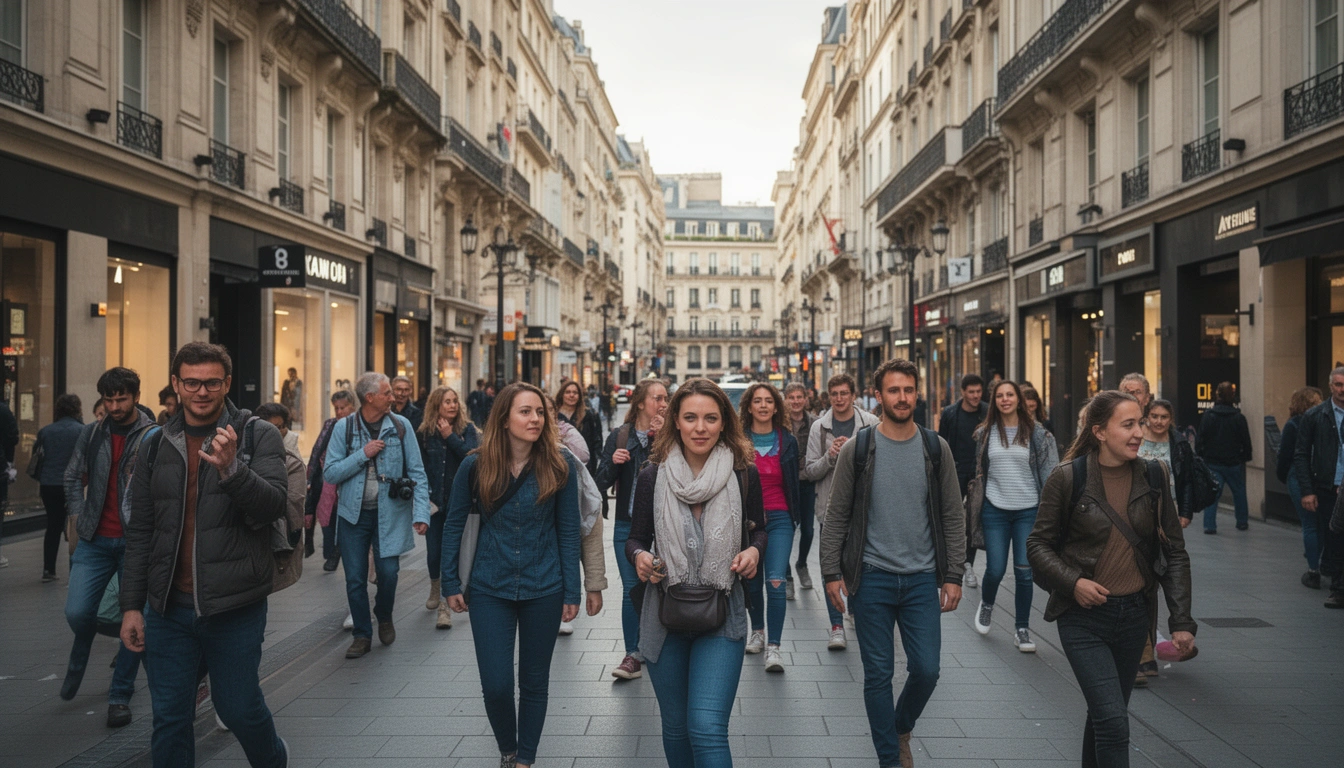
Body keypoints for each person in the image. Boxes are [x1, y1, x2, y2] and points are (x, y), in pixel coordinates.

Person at [120, 342, 291, 767]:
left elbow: (273, 507)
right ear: (176, 384)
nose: (201, 392)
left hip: (234, 605)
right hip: (168, 608)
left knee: (238, 709)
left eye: (212, 383)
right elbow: (141, 531)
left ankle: (273, 760)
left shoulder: (257, 435)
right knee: (170, 718)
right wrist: (132, 607)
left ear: (227, 383)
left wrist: (232, 469)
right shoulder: (155, 443)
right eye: (192, 382)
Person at [1027, 390, 1196, 768]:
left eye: (1140, 422)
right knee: (1114, 722)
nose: (1139, 432)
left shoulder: (1155, 475)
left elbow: (1174, 552)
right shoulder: (1067, 477)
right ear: (1100, 431)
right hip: (1082, 619)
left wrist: (1182, 621)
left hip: (1135, 616)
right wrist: (1074, 582)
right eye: (1128, 425)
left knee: (1105, 714)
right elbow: (1037, 545)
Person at [821, 359, 966, 768]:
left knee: (927, 670)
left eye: (908, 390)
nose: (902, 398)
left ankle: (900, 725)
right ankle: (890, 758)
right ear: (878, 396)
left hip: (921, 579)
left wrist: (954, 574)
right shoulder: (859, 448)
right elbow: (837, 514)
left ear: (917, 394)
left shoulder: (935, 448)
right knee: (878, 675)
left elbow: (953, 514)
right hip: (871, 579)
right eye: (893, 390)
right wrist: (831, 572)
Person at [442, 382, 582, 768]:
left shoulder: (560, 464)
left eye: (539, 412)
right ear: (504, 419)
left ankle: (524, 760)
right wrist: (450, 582)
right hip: (490, 586)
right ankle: (508, 748)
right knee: (496, 685)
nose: (535, 419)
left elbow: (568, 530)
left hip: (545, 585)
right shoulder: (475, 465)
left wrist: (573, 590)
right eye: (525, 412)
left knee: (534, 682)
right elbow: (454, 524)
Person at [627, 378, 765, 767]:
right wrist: (639, 556)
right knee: (676, 729)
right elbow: (635, 538)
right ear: (675, 421)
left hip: (723, 611)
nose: (700, 428)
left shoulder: (743, 473)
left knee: (705, 728)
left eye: (710, 418)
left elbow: (760, 529)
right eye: (690, 418)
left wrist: (754, 550)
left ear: (724, 423)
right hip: (664, 614)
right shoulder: (652, 476)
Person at [59, 368, 155, 727]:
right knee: (77, 612)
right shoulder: (92, 433)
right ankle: (81, 648)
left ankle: (120, 696)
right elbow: (72, 475)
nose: (115, 406)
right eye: (109, 400)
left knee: (136, 620)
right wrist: (79, 513)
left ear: (136, 396)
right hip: (94, 539)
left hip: (136, 542)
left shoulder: (152, 436)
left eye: (122, 399)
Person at [323, 372, 432, 658]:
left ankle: (384, 614)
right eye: (387, 393)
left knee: (389, 573)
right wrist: (363, 454)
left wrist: (422, 513)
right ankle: (362, 634)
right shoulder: (344, 428)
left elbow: (417, 473)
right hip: (353, 516)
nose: (393, 397)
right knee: (355, 579)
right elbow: (330, 473)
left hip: (390, 514)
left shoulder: (401, 426)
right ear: (370, 397)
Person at [968, 380, 1058, 653]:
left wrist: (1052, 511)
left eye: (1010, 395)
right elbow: (980, 470)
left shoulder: (1037, 434)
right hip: (994, 509)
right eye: (1000, 396)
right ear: (994, 401)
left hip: (1027, 511)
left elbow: (1050, 475)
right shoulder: (986, 433)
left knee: (1024, 572)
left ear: (1019, 399)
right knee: (995, 569)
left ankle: (1022, 629)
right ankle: (987, 604)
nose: (1005, 399)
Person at [595, 379, 669, 680]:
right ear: (640, 403)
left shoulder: (671, 433)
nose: (663, 404)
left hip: (663, 525)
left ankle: (660, 646)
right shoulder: (619, 436)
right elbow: (600, 481)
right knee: (631, 589)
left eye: (665, 398)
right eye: (657, 398)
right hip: (627, 524)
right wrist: (614, 463)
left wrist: (663, 437)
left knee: (660, 587)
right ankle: (633, 654)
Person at [802, 373, 880, 650]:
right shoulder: (820, 427)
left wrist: (854, 453)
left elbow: (881, 463)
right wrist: (831, 456)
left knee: (861, 564)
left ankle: (856, 611)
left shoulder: (870, 423)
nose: (839, 398)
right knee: (831, 566)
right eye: (834, 394)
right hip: (830, 508)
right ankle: (836, 626)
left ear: (853, 395)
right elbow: (810, 471)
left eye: (844, 393)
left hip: (865, 509)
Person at [739, 383, 800, 672]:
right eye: (757, 401)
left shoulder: (788, 441)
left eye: (768, 401)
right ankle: (758, 631)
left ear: (776, 407)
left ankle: (774, 647)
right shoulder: (738, 440)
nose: (763, 405)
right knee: (751, 581)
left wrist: (799, 518)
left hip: (779, 519)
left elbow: (796, 483)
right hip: (748, 521)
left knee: (775, 581)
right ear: (749, 407)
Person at [416, 386, 479, 629]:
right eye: (447, 402)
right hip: (433, 503)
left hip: (458, 504)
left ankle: (445, 606)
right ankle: (435, 585)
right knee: (433, 553)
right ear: (436, 406)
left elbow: (472, 457)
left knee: (450, 554)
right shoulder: (424, 433)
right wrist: (421, 502)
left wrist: (450, 436)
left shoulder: (467, 429)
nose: (452, 405)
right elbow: (419, 469)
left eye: (454, 401)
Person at [1291, 366, 1344, 609]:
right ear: (1330, 386)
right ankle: (1338, 588)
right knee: (1334, 537)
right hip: (1328, 487)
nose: (1342, 390)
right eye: (1338, 385)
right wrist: (1307, 490)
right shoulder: (1315, 416)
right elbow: (1301, 454)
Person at [939, 374, 989, 589]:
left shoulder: (988, 412)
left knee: (974, 519)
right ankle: (950, 560)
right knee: (951, 516)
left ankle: (967, 563)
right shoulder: (951, 413)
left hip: (979, 473)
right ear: (963, 392)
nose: (976, 396)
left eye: (979, 391)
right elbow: (942, 443)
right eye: (971, 392)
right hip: (956, 470)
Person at [305, 390, 359, 570]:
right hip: (329, 479)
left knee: (345, 518)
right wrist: (310, 476)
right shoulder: (330, 424)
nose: (339, 411)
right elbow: (317, 450)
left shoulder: (358, 424)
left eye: (343, 407)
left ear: (353, 406)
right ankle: (331, 552)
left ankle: (338, 552)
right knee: (326, 514)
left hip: (351, 477)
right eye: (336, 408)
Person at [1278, 387, 1325, 588]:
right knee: (1318, 523)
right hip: (1319, 476)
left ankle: (1313, 568)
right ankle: (1316, 560)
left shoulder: (1293, 425)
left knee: (1310, 524)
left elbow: (1284, 456)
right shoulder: (1323, 421)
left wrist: (1284, 477)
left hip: (1298, 476)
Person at [36, 393, 83, 582]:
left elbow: (38, 456)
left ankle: (48, 569)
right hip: (71, 484)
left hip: (48, 483)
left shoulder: (46, 431)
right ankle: (75, 569)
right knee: (74, 526)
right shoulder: (81, 430)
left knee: (53, 525)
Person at [1196, 381, 1252, 533]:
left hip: (1213, 461)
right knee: (1239, 492)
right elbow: (1246, 441)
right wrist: (1245, 457)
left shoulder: (1209, 416)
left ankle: (1209, 525)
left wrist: (1201, 455)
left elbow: (1200, 438)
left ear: (1217, 394)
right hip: (1233, 462)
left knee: (1213, 493)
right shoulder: (1238, 417)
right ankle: (1242, 521)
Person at [783, 382, 817, 591]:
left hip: (806, 482)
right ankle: (786, 575)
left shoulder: (814, 423)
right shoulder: (780, 423)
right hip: (785, 483)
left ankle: (802, 563)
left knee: (808, 530)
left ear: (805, 399)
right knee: (786, 529)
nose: (795, 401)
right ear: (786, 400)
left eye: (799, 397)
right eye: (791, 397)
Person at [555, 379, 603, 478]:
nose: (571, 395)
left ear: (580, 396)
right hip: (560, 465)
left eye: (575, 393)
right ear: (562, 394)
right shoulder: (554, 415)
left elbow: (596, 440)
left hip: (584, 465)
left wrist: (594, 464)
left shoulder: (588, 415)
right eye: (568, 392)